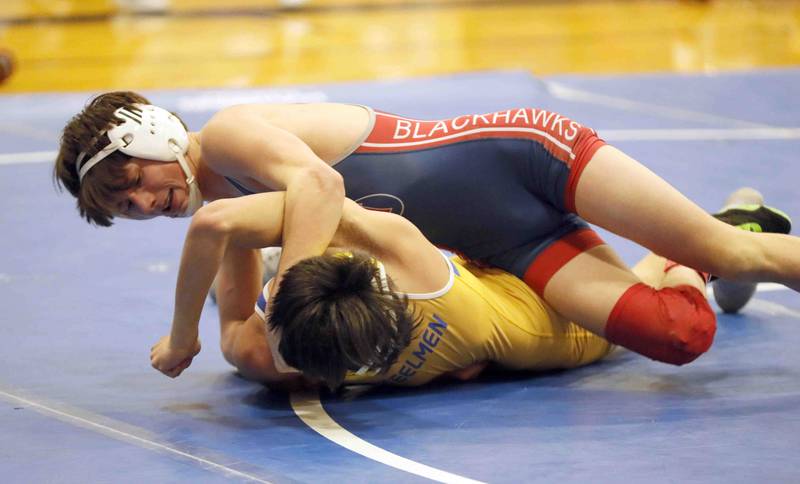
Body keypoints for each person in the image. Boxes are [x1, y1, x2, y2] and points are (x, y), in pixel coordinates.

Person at [56, 92, 796, 369]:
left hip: (525, 158)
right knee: (674, 335)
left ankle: (723, 239)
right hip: (509, 243)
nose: (147, 206)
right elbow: (236, 313)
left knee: (733, 256)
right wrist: (230, 329)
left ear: (152, 138)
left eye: (136, 186)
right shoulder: (232, 216)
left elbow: (321, 183)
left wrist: (287, 291)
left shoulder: (227, 137)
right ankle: (713, 234)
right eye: (126, 211)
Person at [149, 191, 713, 388]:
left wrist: (181, 340)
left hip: (510, 302)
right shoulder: (267, 355)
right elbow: (225, 232)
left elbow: (218, 218)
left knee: (665, 317)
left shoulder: (393, 249)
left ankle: (704, 254)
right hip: (473, 315)